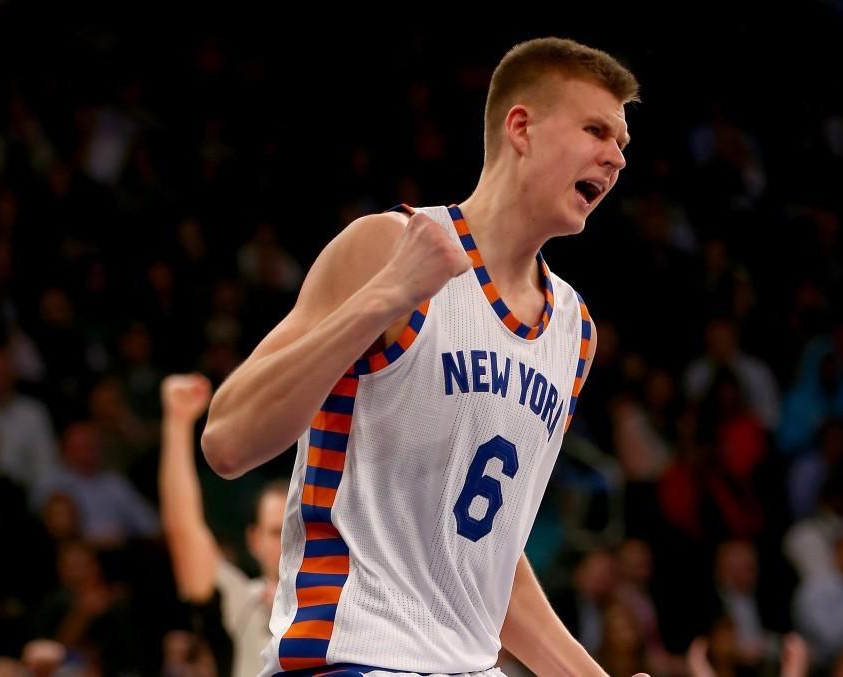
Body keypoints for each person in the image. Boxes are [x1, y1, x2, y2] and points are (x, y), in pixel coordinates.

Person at [202, 37, 640, 676]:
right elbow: (227, 439)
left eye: (623, 145)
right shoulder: (389, 246)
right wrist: (386, 294)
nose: (616, 157)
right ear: (521, 128)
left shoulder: (574, 333)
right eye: (597, 130)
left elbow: (487, 561)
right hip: (351, 655)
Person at [160, 374, 286, 677]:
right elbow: (184, 532)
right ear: (254, 541)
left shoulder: (346, 602)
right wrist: (178, 422)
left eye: (299, 530)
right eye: (276, 532)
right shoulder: (241, 599)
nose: (290, 543)